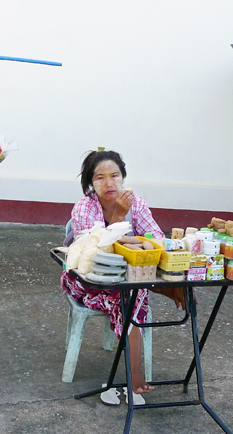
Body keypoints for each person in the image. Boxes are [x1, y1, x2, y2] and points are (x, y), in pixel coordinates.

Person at [61, 150, 184, 404]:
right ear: (90, 183)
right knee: (128, 297)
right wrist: (118, 218)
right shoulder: (84, 207)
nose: (109, 183)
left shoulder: (135, 203)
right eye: (100, 177)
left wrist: (133, 239)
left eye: (115, 175)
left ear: (123, 177)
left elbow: (155, 238)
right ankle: (135, 374)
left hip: (127, 277)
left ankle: (164, 288)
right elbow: (93, 251)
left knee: (132, 291)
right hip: (86, 280)